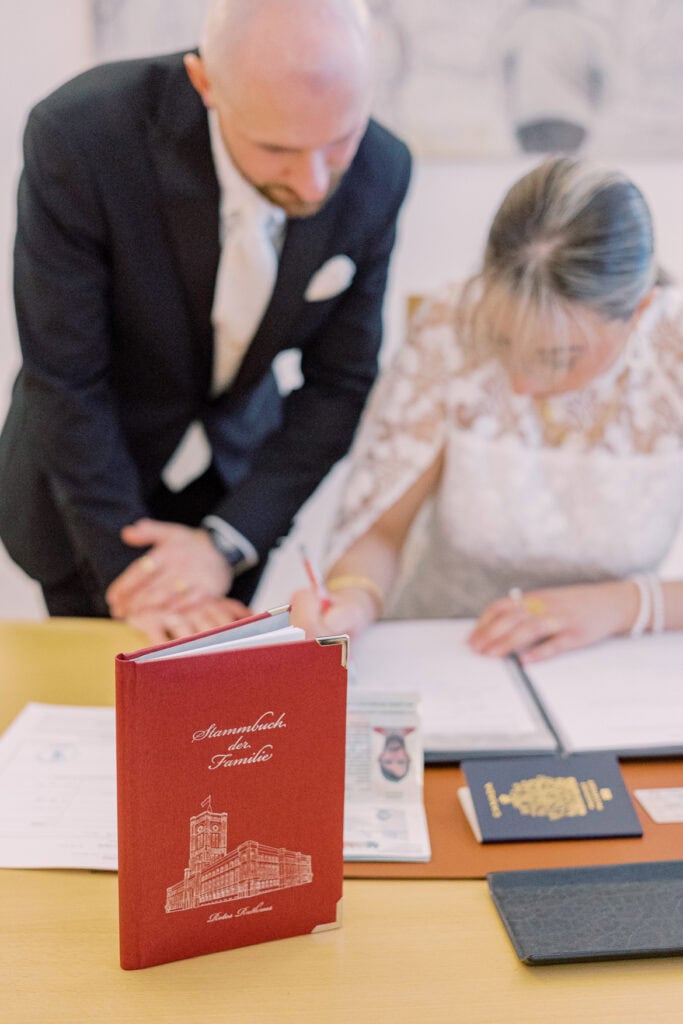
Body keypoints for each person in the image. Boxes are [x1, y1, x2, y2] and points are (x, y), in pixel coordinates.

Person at [0, 0, 411, 642]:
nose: (310, 184)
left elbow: (342, 383)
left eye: (339, 141)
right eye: (277, 147)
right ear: (206, 85)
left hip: (233, 492)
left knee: (217, 725)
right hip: (91, 499)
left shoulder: (382, 172)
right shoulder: (81, 137)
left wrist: (224, 544)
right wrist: (132, 569)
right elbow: (67, 377)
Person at [291, 156, 683, 662]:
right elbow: (382, 534)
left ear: (641, 312)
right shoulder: (447, 327)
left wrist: (624, 605)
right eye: (501, 340)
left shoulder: (672, 352)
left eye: (559, 358)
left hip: (611, 669)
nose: (520, 382)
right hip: (449, 650)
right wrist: (353, 600)